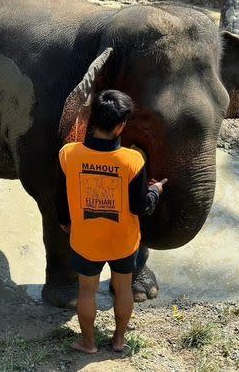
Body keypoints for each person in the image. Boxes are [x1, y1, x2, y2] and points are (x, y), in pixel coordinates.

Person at [58, 90, 167, 354]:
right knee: (122, 288)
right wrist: (155, 191)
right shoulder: (133, 160)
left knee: (86, 292)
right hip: (123, 241)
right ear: (121, 126)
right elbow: (140, 207)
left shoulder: (68, 154)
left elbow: (62, 195)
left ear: (92, 120)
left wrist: (65, 222)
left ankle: (88, 342)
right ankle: (118, 340)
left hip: (86, 240)